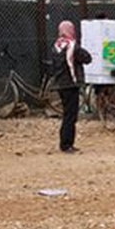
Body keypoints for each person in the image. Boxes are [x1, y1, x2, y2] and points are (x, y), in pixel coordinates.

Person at [49, 21, 91, 153]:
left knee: (67, 113)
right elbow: (87, 58)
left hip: (61, 84)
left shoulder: (56, 46)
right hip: (71, 84)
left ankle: (65, 142)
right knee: (71, 115)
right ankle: (66, 144)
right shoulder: (73, 46)